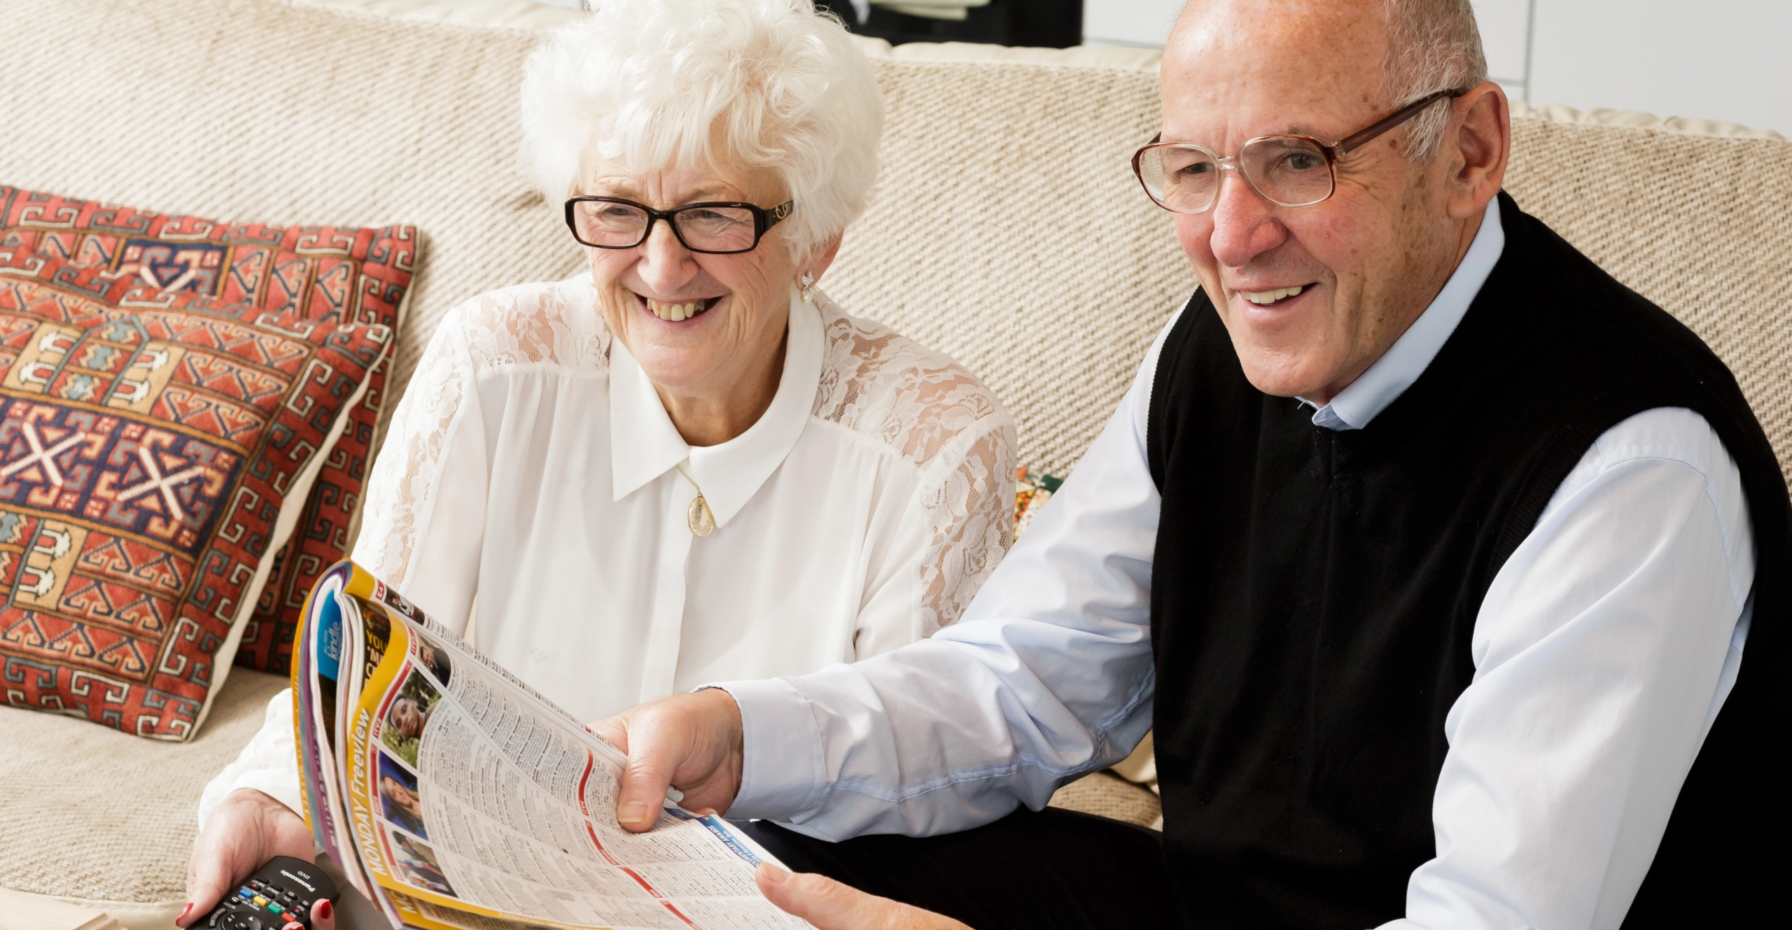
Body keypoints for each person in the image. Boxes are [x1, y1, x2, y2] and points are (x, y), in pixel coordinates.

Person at [592, 0, 1784, 928]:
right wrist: (737, 737)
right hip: (1207, 912)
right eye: (1194, 167)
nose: (1230, 237)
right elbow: (1023, 681)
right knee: (773, 867)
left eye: (1298, 160)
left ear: (1469, 151)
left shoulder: (1629, 462)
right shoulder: (1227, 341)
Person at [177, 1, 1017, 927]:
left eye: (713, 215)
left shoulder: (934, 446)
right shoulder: (490, 366)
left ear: (816, 239)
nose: (660, 267)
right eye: (619, 211)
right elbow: (365, 675)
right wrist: (273, 800)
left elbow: (921, 790)